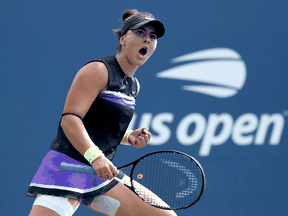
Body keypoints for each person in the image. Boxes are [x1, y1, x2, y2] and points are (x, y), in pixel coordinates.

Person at [27, 9, 177, 216]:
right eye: (141, 33)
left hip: (97, 179)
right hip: (67, 171)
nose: (147, 40)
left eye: (153, 37)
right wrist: (96, 157)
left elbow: (99, 124)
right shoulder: (99, 70)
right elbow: (70, 120)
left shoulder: (134, 86)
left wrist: (127, 136)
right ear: (123, 39)